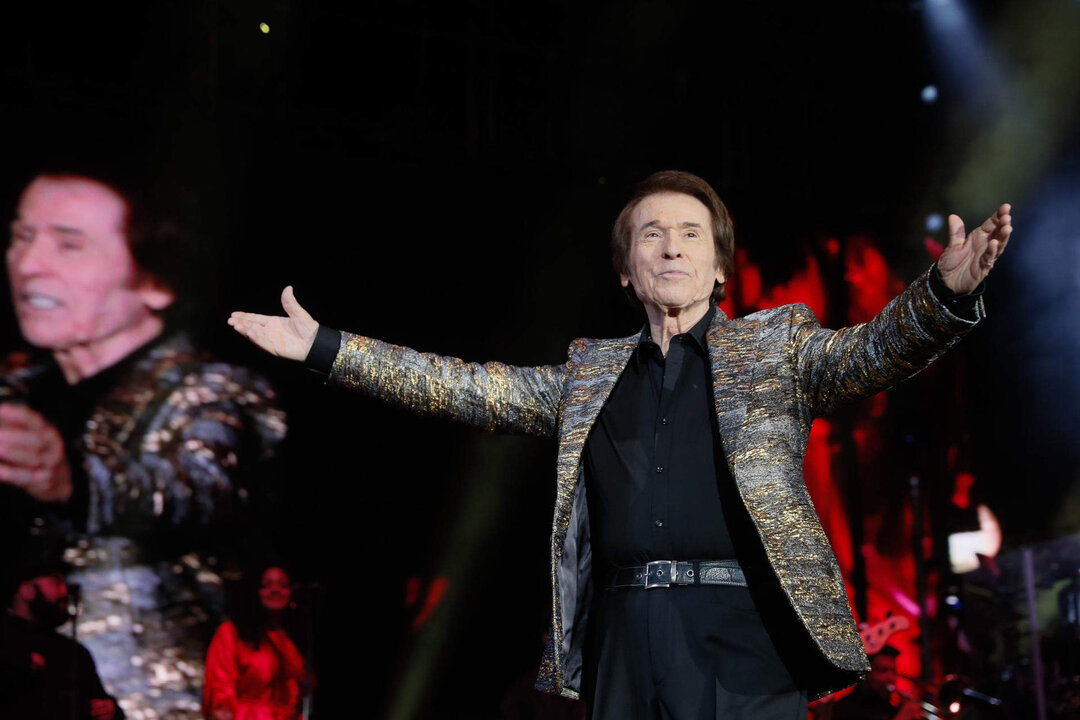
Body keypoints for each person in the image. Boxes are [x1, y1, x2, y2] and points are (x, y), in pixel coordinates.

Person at [229, 170, 1011, 719]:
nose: (673, 247)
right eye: (653, 234)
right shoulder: (587, 376)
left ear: (717, 267)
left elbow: (873, 352)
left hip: (744, 632)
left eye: (691, 234)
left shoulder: (775, 349)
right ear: (628, 271)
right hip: (623, 638)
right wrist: (327, 348)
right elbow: (464, 385)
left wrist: (944, 296)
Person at [1, 170, 287, 718]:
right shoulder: (20, 388)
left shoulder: (217, 394)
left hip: (154, 698)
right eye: (21, 236)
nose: (28, 264)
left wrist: (74, 481)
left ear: (157, 282)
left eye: (69, 245)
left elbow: (198, 488)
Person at [0, 556, 123, 720]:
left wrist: (110, 710)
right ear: (27, 590)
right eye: (55, 583)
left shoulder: (73, 652)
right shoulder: (6, 639)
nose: (64, 591)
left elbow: (99, 702)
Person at [203, 563, 310, 720]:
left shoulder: (295, 640)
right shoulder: (232, 633)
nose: (275, 590)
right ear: (255, 592)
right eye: (267, 585)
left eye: (283, 585)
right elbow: (221, 688)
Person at [831, 646, 922, 720]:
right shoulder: (847, 708)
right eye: (883, 671)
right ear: (866, 673)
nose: (891, 678)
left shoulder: (889, 707)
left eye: (893, 671)